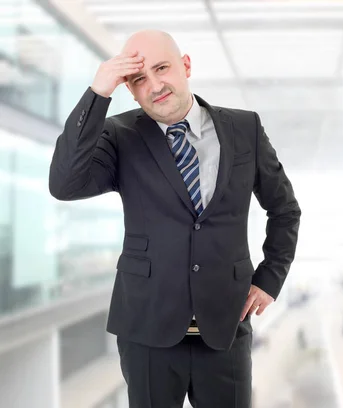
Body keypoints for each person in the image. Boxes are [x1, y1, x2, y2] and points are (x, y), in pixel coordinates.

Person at [48, 30, 301, 408]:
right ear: (130, 91)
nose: (154, 85)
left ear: (185, 65)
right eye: (138, 79)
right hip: (147, 331)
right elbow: (65, 184)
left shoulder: (245, 128)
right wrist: (98, 92)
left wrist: (269, 279)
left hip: (225, 329)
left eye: (161, 68)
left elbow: (284, 209)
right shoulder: (119, 136)